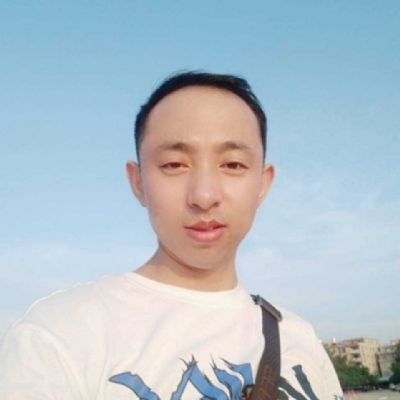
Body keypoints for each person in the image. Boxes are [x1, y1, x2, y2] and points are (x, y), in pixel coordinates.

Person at [0, 71, 343, 400]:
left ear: (262, 184)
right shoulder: (59, 336)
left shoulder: (298, 339)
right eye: (174, 165)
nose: (204, 196)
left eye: (233, 165)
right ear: (138, 183)